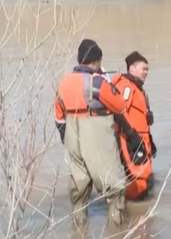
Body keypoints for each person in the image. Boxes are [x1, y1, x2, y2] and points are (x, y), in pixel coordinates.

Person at [54, 39, 130, 225]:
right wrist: (107, 81)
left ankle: (79, 237)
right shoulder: (97, 82)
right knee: (114, 188)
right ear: (95, 62)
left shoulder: (64, 82)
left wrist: (67, 138)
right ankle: (117, 238)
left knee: (79, 191)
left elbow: (58, 116)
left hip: (72, 135)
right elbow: (120, 105)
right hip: (96, 134)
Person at [111, 51, 156, 201]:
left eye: (147, 70)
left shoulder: (138, 88)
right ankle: (118, 202)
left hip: (142, 140)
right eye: (144, 69)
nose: (146, 73)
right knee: (139, 182)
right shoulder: (126, 86)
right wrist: (132, 136)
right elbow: (119, 111)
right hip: (131, 139)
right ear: (132, 68)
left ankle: (139, 216)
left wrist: (151, 141)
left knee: (146, 180)